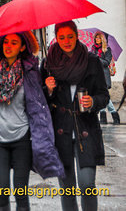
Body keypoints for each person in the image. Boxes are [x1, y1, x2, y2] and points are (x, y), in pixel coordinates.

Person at [0, 31, 64, 210]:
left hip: (22, 140)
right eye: (6, 42)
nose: (8, 46)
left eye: (14, 43)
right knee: (1, 194)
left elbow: (38, 103)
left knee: (21, 194)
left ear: (22, 47)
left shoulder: (29, 72)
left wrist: (47, 89)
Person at [42, 21, 110, 211]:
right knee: (67, 189)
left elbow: (104, 96)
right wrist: (47, 89)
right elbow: (39, 101)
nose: (66, 41)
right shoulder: (49, 63)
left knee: (87, 185)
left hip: (86, 128)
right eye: (62, 37)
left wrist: (93, 102)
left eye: (70, 36)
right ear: (56, 37)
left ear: (77, 35)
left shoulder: (92, 61)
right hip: (60, 132)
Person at [90, 31, 120, 125]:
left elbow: (106, 62)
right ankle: (108, 118)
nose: (96, 40)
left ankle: (112, 116)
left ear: (102, 39)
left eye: (98, 38)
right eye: (96, 38)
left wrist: (97, 58)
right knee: (103, 96)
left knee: (105, 97)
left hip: (104, 76)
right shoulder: (93, 49)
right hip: (96, 76)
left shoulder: (107, 50)